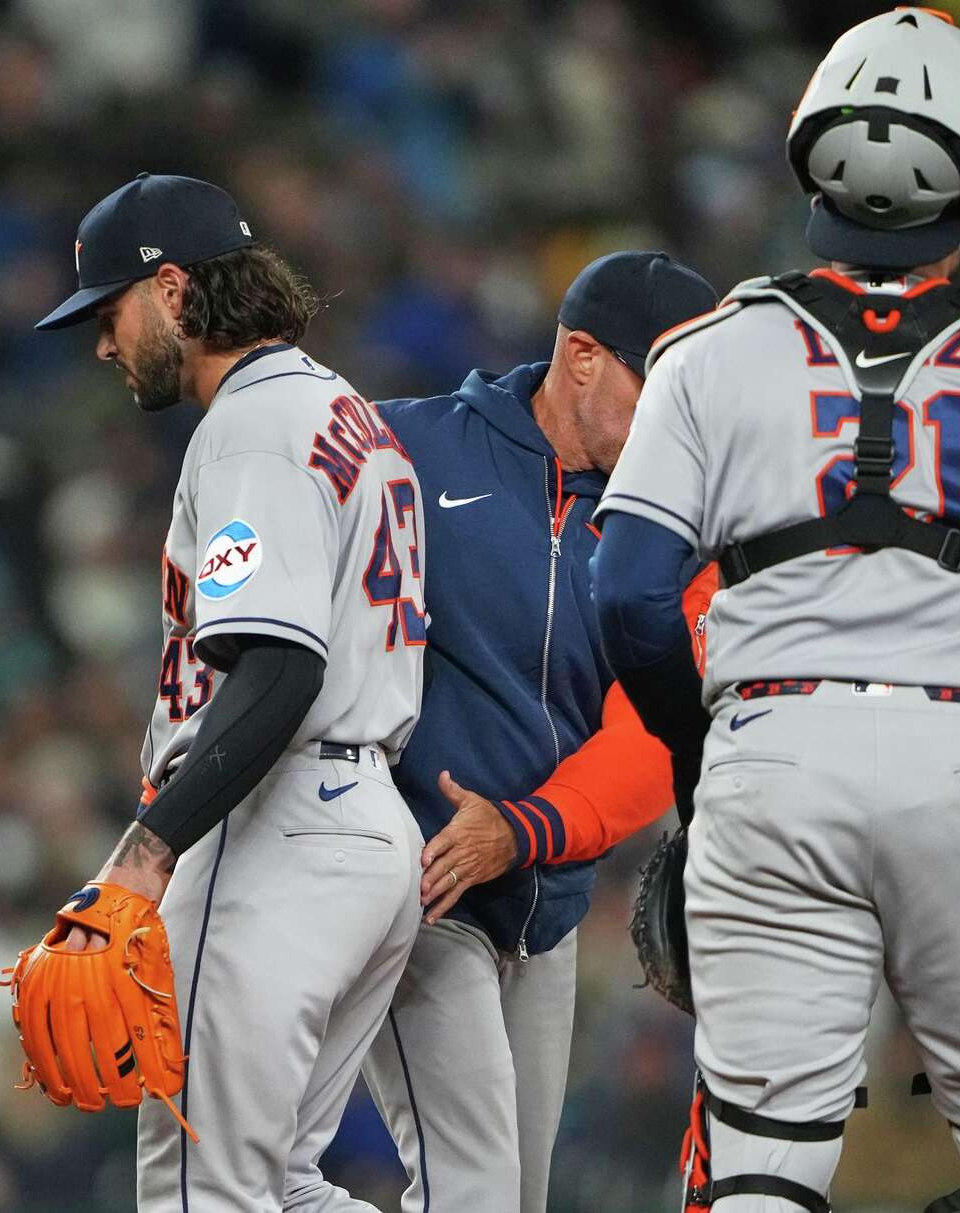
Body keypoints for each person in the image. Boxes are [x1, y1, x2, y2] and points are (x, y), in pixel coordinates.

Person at [591, 11, 960, 1213]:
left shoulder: (706, 354)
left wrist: (704, 758)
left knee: (758, 1155)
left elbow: (630, 596)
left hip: (771, 748)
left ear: (811, 155)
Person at [27, 172, 428, 1212]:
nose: (104, 345)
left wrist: (145, 849)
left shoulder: (253, 427)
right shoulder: (346, 411)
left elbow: (280, 666)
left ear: (170, 290)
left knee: (203, 1191)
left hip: (275, 828)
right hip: (364, 830)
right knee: (284, 1186)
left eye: (108, 312)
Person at [356, 251, 719, 1213]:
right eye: (664, 388)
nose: (683, 425)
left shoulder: (684, 529)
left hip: (541, 907)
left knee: (512, 1200)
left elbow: (660, 732)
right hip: (420, 891)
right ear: (582, 354)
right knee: (474, 1195)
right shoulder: (404, 450)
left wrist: (523, 831)